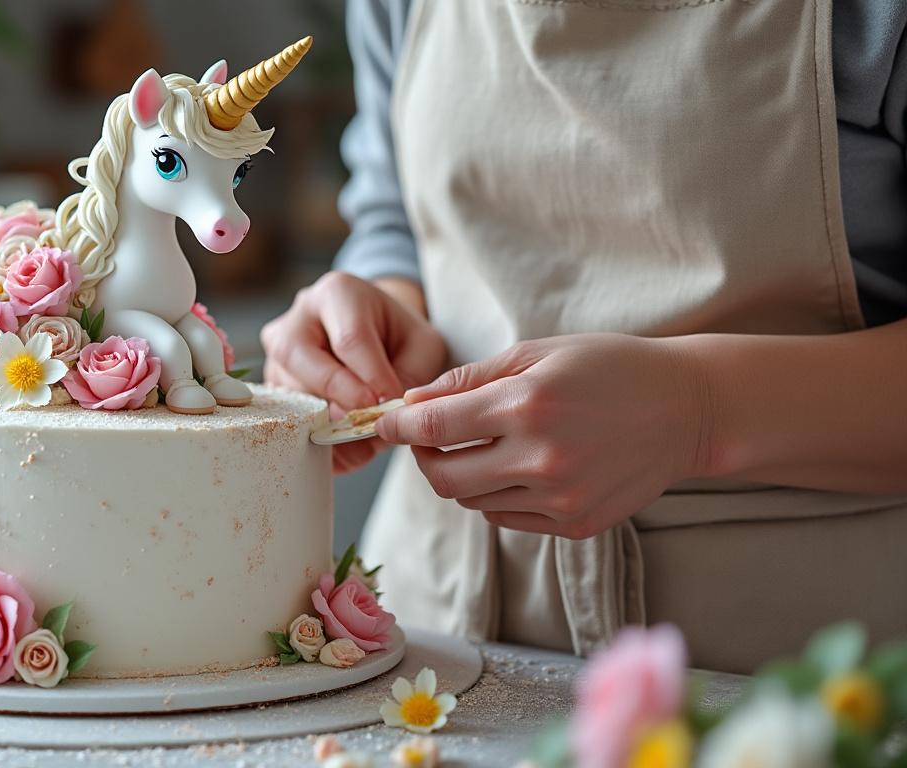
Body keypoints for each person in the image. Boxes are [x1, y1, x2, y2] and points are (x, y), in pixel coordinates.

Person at [262, 0, 907, 673]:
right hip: (434, 639)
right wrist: (379, 308)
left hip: (797, 677)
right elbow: (395, 212)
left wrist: (700, 412)